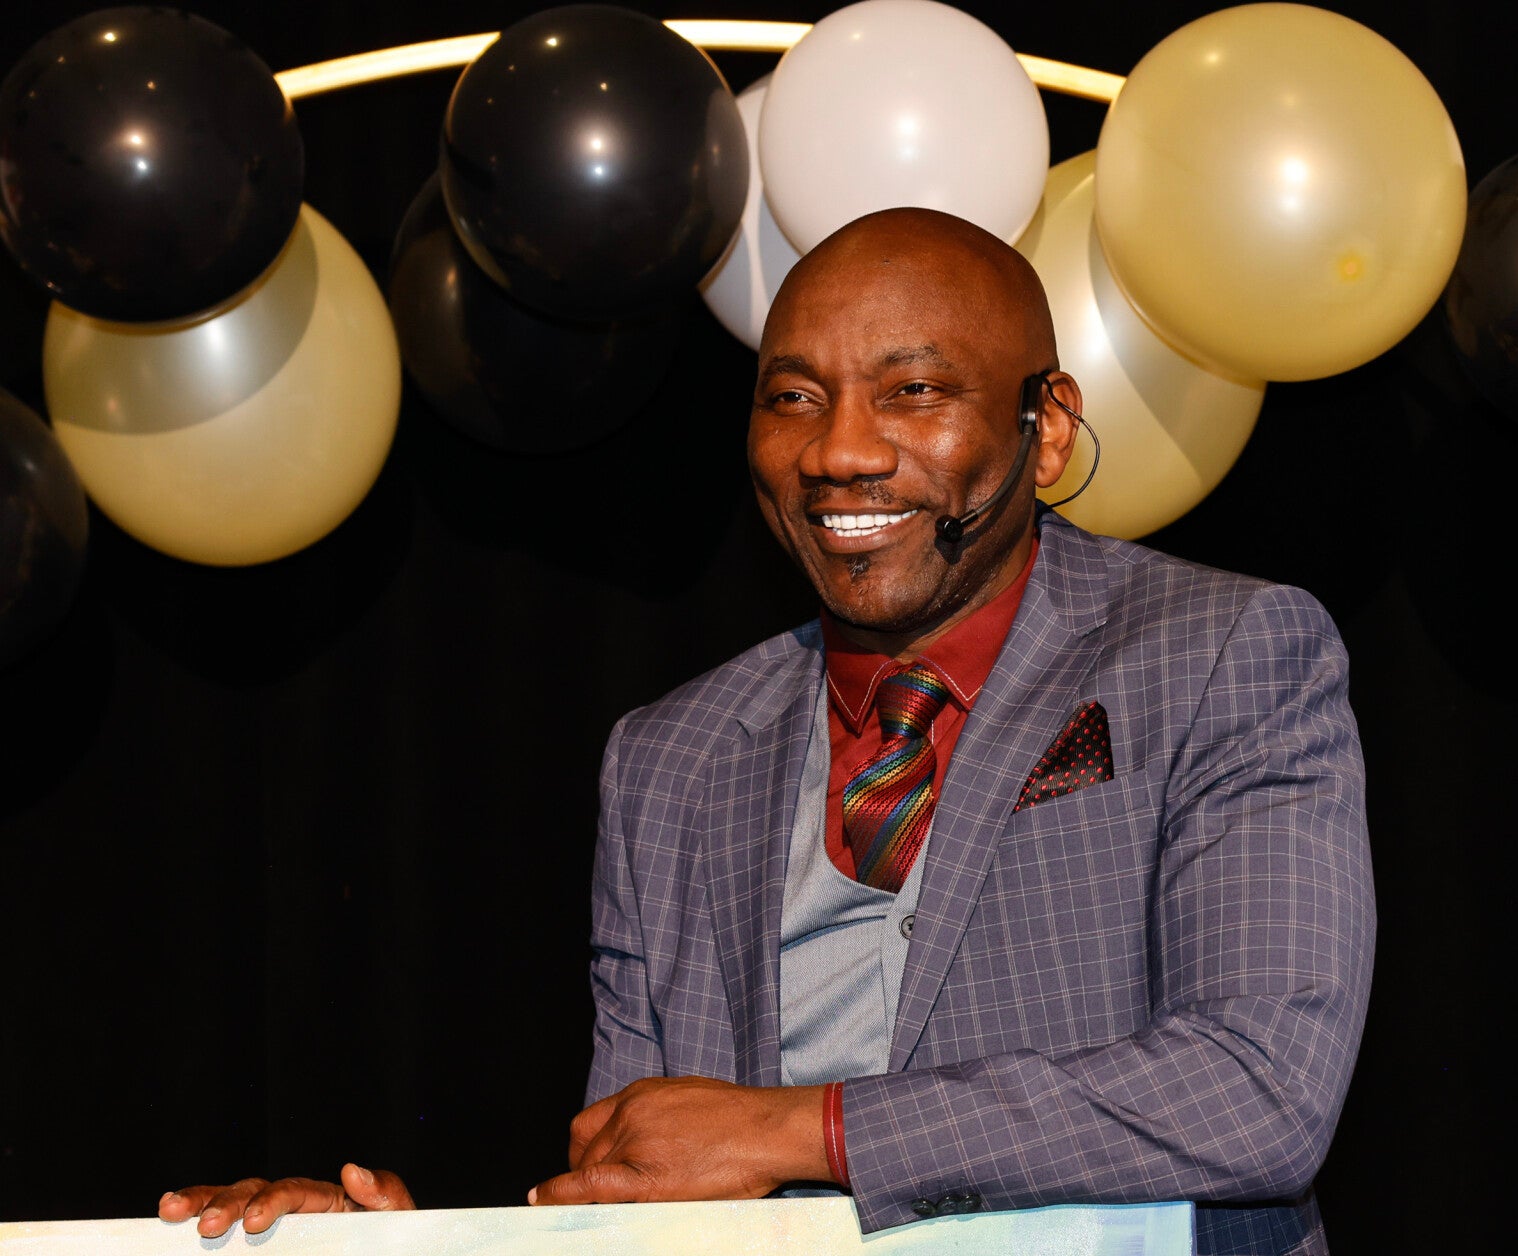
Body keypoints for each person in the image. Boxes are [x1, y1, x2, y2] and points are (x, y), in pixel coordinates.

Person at [159, 208, 1375, 1254]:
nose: (839, 450)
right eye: (793, 397)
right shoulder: (671, 758)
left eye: (913, 390)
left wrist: (803, 1128)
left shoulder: (1219, 653)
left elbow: (1256, 1088)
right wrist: (394, 1243)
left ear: (1044, 426)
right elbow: (645, 1198)